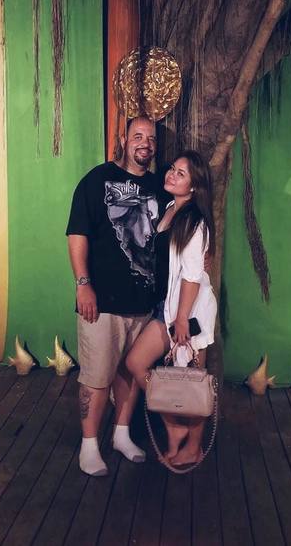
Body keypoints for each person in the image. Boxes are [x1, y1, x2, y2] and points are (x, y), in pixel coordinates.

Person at [66, 116, 160, 476]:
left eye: (150, 138)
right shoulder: (96, 181)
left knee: (128, 373)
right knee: (96, 375)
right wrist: (83, 283)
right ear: (123, 140)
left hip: (144, 302)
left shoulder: (159, 186)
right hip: (102, 301)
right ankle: (89, 446)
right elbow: (77, 234)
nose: (145, 143)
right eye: (138, 136)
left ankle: (121, 435)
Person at [126, 150, 216, 467]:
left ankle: (193, 446)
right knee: (136, 362)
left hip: (188, 312)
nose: (172, 175)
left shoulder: (194, 221)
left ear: (194, 186)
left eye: (181, 173)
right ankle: (173, 426)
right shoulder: (169, 209)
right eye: (172, 169)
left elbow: (192, 276)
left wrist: (181, 319)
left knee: (192, 378)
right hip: (166, 306)